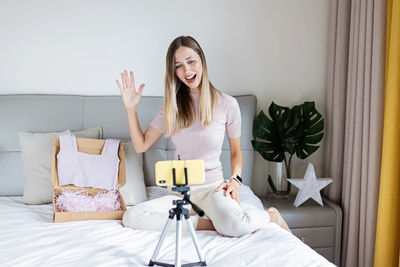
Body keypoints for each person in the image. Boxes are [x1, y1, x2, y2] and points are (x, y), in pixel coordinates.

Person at [116, 35, 290, 237]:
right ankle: (206, 224)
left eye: (191, 62)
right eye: (179, 66)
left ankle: (271, 216)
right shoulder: (171, 108)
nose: (187, 71)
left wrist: (234, 180)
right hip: (179, 191)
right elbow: (141, 145)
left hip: (212, 189)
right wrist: (130, 109)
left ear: (202, 61)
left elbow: (236, 151)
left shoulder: (227, 104)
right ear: (173, 72)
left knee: (237, 227)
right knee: (132, 216)